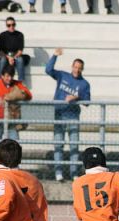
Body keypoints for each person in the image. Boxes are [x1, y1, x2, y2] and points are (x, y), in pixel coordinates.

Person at [46, 48, 91, 182]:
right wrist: (54, 56)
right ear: (72, 66)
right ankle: (58, 173)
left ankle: (73, 173)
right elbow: (48, 70)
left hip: (73, 117)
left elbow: (87, 101)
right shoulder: (63, 76)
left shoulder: (84, 84)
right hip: (59, 115)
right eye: (75, 67)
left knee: (74, 146)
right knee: (59, 145)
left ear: (82, 69)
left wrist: (77, 97)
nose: (77, 70)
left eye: (79, 68)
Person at [0, 64, 32, 155]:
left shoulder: (17, 84)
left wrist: (16, 95)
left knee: (14, 146)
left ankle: (13, 167)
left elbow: (28, 95)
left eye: (11, 76)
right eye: (7, 76)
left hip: (11, 120)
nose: (9, 78)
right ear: (2, 76)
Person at [0, 17, 26, 82]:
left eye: (13, 24)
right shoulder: (2, 35)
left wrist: (13, 57)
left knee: (20, 60)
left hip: (15, 55)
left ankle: (21, 82)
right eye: (9, 25)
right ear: (6, 26)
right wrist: (9, 58)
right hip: (5, 55)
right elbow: (0, 51)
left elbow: (20, 50)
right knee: (2, 60)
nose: (11, 27)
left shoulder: (20, 35)